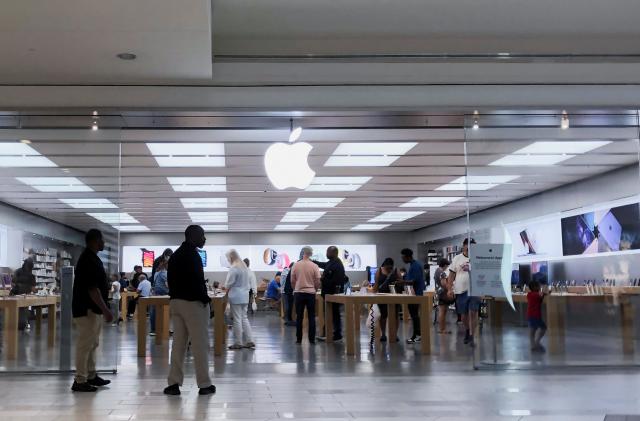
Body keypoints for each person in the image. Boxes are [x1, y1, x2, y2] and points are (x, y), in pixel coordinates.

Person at [164, 225, 216, 396]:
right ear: (192, 236)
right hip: (193, 304)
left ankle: (173, 383)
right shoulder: (193, 255)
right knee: (200, 344)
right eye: (202, 235)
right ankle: (204, 384)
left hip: (176, 303)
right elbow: (197, 283)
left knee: (178, 343)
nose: (204, 239)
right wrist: (206, 301)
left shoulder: (176, 255)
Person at [71, 229, 113, 392]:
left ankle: (91, 375)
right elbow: (92, 289)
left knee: (93, 343)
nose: (104, 243)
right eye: (102, 240)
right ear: (95, 241)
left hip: (93, 309)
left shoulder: (92, 258)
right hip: (86, 309)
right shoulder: (88, 260)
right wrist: (106, 309)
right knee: (85, 345)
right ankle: (80, 380)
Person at [448, 238, 479, 347]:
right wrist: (449, 289)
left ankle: (471, 335)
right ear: (464, 246)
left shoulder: (478, 257)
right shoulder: (457, 258)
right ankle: (467, 330)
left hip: (475, 290)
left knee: (473, 312)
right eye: (468, 245)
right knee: (464, 315)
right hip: (460, 290)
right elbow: (451, 275)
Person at [314, 246, 346, 341]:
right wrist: (314, 262)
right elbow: (323, 265)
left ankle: (336, 334)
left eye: (328, 252)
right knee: (329, 314)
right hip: (328, 295)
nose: (326, 254)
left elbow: (337, 280)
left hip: (333, 295)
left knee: (334, 314)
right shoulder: (331, 262)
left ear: (334, 253)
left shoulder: (337, 264)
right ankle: (327, 333)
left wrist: (323, 279)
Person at [225, 250, 255, 350]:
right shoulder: (244, 267)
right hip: (245, 296)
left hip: (236, 296)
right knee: (244, 318)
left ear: (231, 257)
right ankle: (250, 340)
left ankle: (238, 342)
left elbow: (228, 284)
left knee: (237, 319)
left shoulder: (234, 268)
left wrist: (224, 288)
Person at [291, 246, 321, 344]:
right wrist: (314, 289)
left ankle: (299, 339)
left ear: (302, 253)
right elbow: (317, 281)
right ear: (311, 254)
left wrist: (296, 288)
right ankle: (311, 339)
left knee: (299, 317)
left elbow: (292, 280)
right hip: (310, 294)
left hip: (299, 293)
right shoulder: (314, 266)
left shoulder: (295, 265)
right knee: (311, 316)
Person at [372, 257, 402, 342]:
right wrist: (372, 295)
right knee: (383, 315)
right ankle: (383, 334)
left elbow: (401, 282)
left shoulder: (396, 270)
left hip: (394, 295)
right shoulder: (379, 271)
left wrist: (397, 283)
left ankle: (395, 334)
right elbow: (376, 284)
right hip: (381, 296)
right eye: (387, 268)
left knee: (395, 315)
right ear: (384, 265)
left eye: (390, 268)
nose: (388, 269)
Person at [401, 248, 426, 344]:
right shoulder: (412, 265)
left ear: (408, 256)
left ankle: (417, 335)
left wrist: (402, 282)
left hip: (416, 295)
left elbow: (413, 281)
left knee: (415, 316)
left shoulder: (415, 266)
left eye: (403, 257)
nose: (402, 259)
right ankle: (417, 335)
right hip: (413, 294)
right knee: (414, 315)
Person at [12, 258, 36, 330]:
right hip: (25, 296)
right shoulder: (31, 275)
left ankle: (19, 324)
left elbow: (12, 283)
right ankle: (26, 324)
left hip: (16, 295)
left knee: (19, 312)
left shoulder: (17, 271)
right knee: (26, 311)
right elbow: (33, 289)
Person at [434, 258, 453, 334]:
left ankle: (442, 329)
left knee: (442, 311)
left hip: (439, 292)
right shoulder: (442, 272)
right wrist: (449, 289)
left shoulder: (436, 271)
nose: (447, 268)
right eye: (447, 266)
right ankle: (442, 329)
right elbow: (444, 283)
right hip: (443, 294)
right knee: (443, 311)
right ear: (444, 265)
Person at [149, 260, 169, 335]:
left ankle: (154, 329)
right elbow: (168, 285)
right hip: (163, 294)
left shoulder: (156, 273)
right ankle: (162, 329)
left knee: (154, 312)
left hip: (155, 294)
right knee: (163, 312)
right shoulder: (164, 273)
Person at [527, 280, 547, 352]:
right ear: (534, 287)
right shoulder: (535, 294)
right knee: (543, 328)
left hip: (530, 315)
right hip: (535, 315)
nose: (539, 287)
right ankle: (536, 343)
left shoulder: (529, 294)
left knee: (532, 330)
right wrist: (545, 291)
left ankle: (533, 346)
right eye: (538, 286)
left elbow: (540, 298)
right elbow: (541, 295)